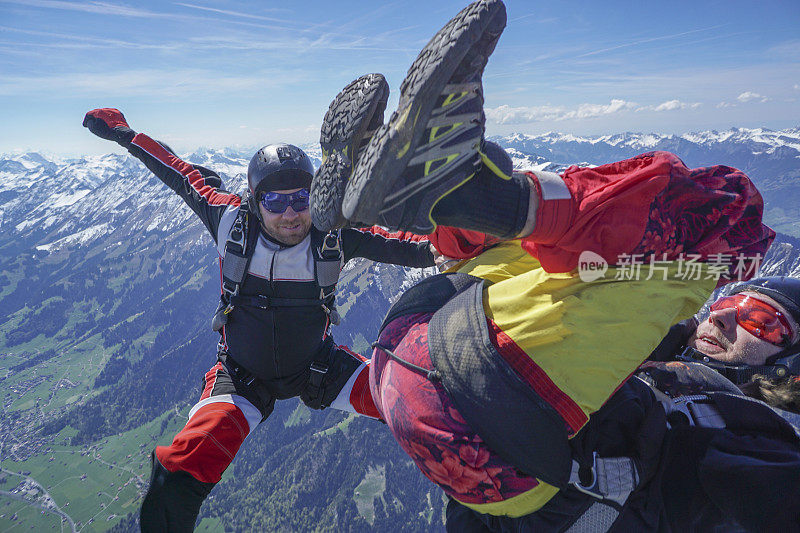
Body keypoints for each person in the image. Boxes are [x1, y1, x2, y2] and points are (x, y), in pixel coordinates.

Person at [310, 0, 800, 530]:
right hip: (427, 350)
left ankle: (473, 195)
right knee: (585, 255)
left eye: (761, 321)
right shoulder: (654, 343)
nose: (725, 316)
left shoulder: (762, 438)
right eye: (731, 304)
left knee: (735, 219)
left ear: (789, 366)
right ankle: (442, 203)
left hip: (482, 418)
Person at [82, 80, 435, 532]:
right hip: (241, 379)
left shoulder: (332, 234)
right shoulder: (231, 220)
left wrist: (459, 243)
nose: (292, 213)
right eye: (276, 201)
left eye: (301, 198)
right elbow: (177, 170)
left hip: (319, 368)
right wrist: (126, 134)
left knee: (421, 399)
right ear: (255, 200)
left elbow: (408, 244)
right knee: (177, 474)